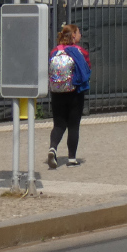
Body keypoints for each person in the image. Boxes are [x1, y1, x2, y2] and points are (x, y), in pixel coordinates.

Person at [47, 23, 91, 168]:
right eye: (78, 33)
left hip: (57, 92)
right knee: (73, 125)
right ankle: (72, 158)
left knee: (59, 124)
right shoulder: (80, 51)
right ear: (73, 35)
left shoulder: (55, 51)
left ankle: (53, 148)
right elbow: (87, 69)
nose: (80, 35)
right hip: (75, 92)